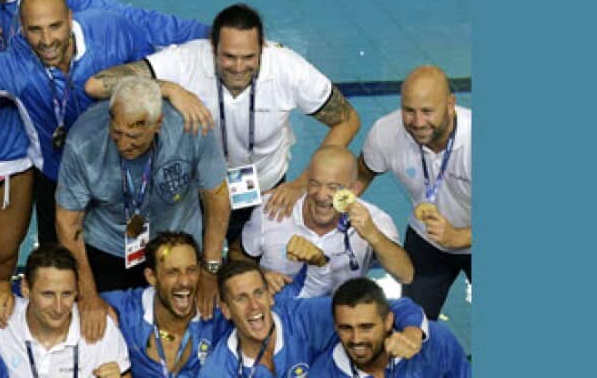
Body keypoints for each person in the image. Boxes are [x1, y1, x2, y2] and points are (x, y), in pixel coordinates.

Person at [0, 0, 209, 298]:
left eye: (55, 26)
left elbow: (158, 55)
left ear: (70, 17)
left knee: (135, 273)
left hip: (119, 174)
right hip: (57, 182)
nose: (47, 40)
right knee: (61, 282)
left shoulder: (109, 31)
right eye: (35, 30)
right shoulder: (16, 65)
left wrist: (182, 77)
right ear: (21, 28)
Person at [85, 3, 361, 250]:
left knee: (253, 273)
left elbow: (347, 120)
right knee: (189, 267)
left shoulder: (287, 68)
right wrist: (168, 88)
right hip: (198, 191)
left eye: (249, 57)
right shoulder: (188, 60)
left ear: (262, 48)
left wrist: (301, 183)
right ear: (213, 48)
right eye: (229, 56)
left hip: (264, 189)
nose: (239, 67)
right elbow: (96, 85)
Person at [53, 77, 229, 339]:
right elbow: (67, 223)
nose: (124, 145)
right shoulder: (83, 141)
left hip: (179, 244)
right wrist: (87, 293)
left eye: (134, 136)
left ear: (157, 124)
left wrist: (210, 269)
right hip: (109, 244)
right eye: (117, 133)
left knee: (193, 323)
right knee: (105, 331)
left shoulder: (191, 128)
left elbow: (218, 200)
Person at [357, 65, 471, 319]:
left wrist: (459, 237)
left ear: (451, 104)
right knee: (412, 323)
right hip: (427, 239)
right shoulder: (386, 133)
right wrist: (336, 206)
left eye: (428, 111)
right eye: (409, 111)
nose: (418, 123)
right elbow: (362, 173)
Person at [197, 261, 427, 377]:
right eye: (241, 299)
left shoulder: (305, 318)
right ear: (226, 310)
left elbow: (392, 307)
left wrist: (412, 332)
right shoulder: (217, 371)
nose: (254, 306)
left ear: (270, 296)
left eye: (258, 293)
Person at [239, 146, 412, 299]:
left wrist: (373, 236)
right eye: (315, 184)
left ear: (354, 189)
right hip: (279, 312)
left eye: (334, 187)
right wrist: (260, 275)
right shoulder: (272, 209)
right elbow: (238, 256)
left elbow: (405, 275)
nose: (321, 195)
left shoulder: (373, 220)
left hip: (340, 322)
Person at [0, 244, 130, 378]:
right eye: (48, 294)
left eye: (67, 294)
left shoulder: (100, 328)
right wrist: (0, 286)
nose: (59, 307)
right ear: (26, 288)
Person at [100, 232, 237, 378]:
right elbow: (81, 302)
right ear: (151, 277)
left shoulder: (221, 316)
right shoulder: (125, 309)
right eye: (172, 272)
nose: (184, 281)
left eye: (191, 270)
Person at [311, 278, 469, 377]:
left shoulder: (437, 342)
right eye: (346, 328)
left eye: (366, 327)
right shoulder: (322, 373)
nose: (356, 339)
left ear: (388, 322)